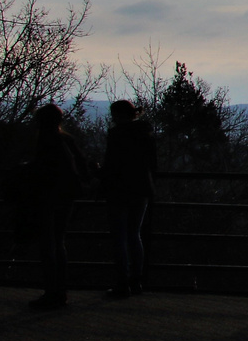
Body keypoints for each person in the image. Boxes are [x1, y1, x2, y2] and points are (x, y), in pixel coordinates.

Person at [29, 103, 88, 310]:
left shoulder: (46, 141)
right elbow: (82, 165)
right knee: (59, 242)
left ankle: (51, 291)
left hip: (48, 197)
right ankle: (59, 290)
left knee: (48, 244)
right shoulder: (66, 139)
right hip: (67, 195)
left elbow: (41, 170)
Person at [100, 100, 157, 299]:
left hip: (119, 189)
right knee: (135, 235)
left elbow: (111, 164)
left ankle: (122, 281)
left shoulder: (117, 134)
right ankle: (137, 279)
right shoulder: (145, 133)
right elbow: (152, 163)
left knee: (120, 237)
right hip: (141, 188)